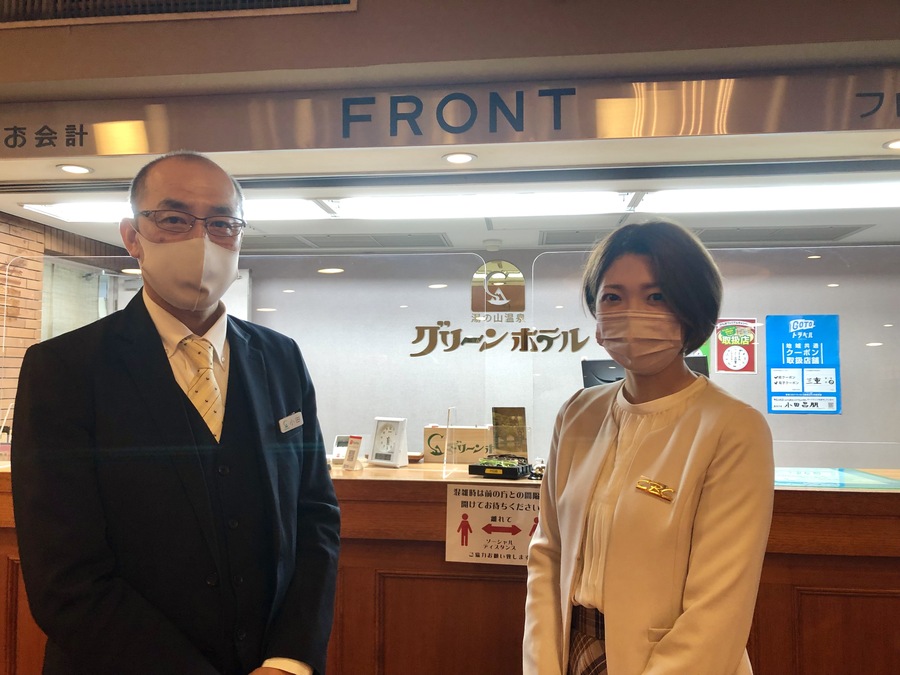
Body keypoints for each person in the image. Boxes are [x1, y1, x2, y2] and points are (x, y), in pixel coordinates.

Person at [12, 151, 341, 675]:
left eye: (222, 224)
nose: (202, 240)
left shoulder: (281, 357)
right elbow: (65, 575)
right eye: (173, 219)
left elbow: (315, 515)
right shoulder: (64, 369)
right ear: (132, 236)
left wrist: (290, 660)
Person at [523, 220, 774, 675]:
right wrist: (542, 665)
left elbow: (719, 607)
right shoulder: (578, 414)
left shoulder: (733, 427)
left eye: (656, 296)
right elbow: (548, 554)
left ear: (692, 308)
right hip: (572, 651)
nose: (632, 314)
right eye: (613, 297)